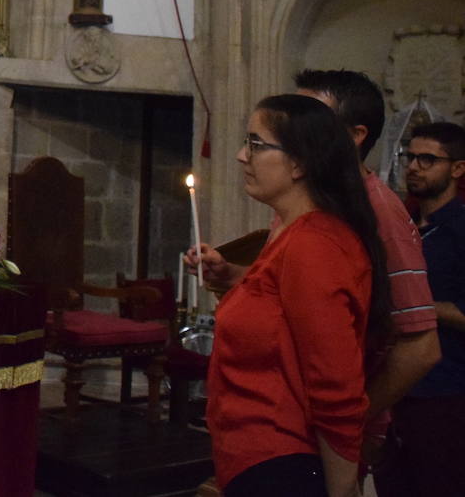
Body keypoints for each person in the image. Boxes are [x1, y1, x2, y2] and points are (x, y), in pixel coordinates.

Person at [189, 69, 439, 476]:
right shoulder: (302, 215)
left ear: (350, 137)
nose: (242, 155)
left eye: (312, 118)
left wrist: (347, 440)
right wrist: (238, 277)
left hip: (299, 448)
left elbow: (417, 347)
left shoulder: (363, 217)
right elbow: (293, 305)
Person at [206, 94, 391, 496]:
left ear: (300, 163)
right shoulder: (290, 236)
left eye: (255, 144)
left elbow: (335, 386)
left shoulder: (315, 245)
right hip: (256, 458)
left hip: (286, 463)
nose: (241, 155)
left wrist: (343, 490)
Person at [375, 122, 465, 497]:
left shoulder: (461, 230)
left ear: (458, 169)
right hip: (391, 388)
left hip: (445, 391)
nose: (413, 166)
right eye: (410, 157)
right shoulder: (402, 224)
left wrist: (421, 306)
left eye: (427, 159)